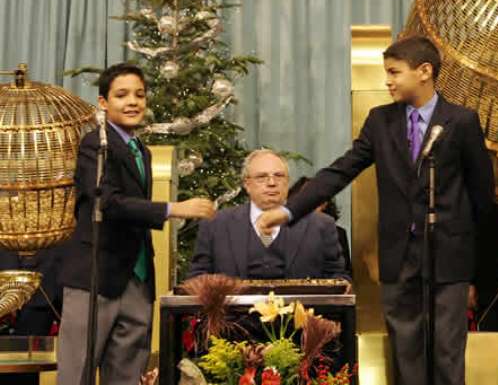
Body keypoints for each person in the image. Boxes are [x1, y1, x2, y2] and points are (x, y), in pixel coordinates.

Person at [256, 36, 494, 385]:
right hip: (398, 259)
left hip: (448, 258)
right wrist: (290, 210)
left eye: (395, 72)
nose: (388, 81)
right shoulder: (381, 121)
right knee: (406, 354)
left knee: (447, 352)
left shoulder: (461, 121)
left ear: (425, 72)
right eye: (387, 73)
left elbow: (481, 197)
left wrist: (476, 271)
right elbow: (342, 170)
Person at [57, 63, 215, 385]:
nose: (133, 102)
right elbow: (108, 202)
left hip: (137, 281)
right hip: (95, 278)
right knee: (78, 373)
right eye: (122, 95)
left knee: (128, 374)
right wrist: (173, 208)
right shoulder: (94, 145)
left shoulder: (140, 149)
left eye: (139, 95)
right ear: (103, 103)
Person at [188, 150, 349, 282]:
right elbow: (198, 278)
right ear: (247, 184)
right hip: (233, 319)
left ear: (288, 182)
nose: (271, 183)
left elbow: (338, 279)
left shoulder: (321, 225)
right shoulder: (216, 224)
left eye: (279, 176)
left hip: (301, 318)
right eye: (261, 177)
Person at [288, 176, 352, 278]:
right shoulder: (284, 226)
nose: (310, 202)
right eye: (305, 196)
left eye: (316, 197)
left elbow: (343, 273)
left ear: (325, 203)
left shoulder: (337, 232)